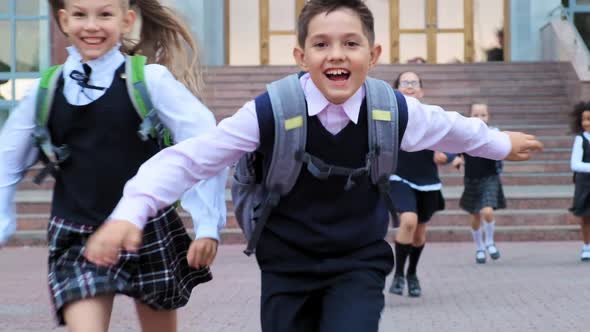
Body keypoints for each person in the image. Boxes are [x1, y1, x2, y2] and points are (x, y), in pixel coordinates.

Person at [84, 1, 543, 331]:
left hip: (358, 259)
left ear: (374, 55)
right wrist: (131, 211)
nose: (337, 54)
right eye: (321, 44)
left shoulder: (391, 109)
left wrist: (499, 143)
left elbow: (450, 128)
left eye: (350, 43)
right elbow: (192, 158)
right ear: (301, 57)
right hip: (286, 264)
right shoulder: (270, 111)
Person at [0, 0, 227, 331]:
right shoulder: (45, 91)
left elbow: (205, 145)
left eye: (104, 14)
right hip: (77, 235)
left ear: (126, 20)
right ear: (63, 20)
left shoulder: (149, 81)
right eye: (80, 14)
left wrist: (208, 223)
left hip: (149, 229)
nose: (91, 25)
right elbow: (6, 163)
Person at [387, 71, 458, 297]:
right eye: (404, 83)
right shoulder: (389, 117)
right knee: (408, 220)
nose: (409, 86)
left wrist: (447, 156)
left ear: (421, 90)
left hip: (427, 181)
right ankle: (398, 275)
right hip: (399, 177)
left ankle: (412, 274)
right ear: (396, 90)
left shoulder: (432, 116)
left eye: (414, 83)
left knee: (418, 234)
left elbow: (450, 143)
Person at [455, 103, 505, 264]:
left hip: (490, 177)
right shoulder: (464, 136)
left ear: (488, 116)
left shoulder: (494, 133)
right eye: (476, 115)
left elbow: (503, 149)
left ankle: (490, 242)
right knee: (475, 215)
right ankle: (479, 247)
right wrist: (456, 159)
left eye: (483, 115)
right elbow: (457, 153)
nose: (480, 118)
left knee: (488, 211)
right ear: (469, 116)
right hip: (471, 179)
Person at [568, 101, 590, 262]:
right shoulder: (580, 140)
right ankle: (587, 245)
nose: (587, 123)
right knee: (586, 217)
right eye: (585, 119)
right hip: (585, 184)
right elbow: (575, 164)